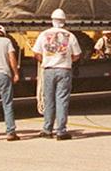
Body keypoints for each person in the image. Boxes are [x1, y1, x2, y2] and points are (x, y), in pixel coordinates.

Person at [32, 8, 81, 140]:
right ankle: (61, 131)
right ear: (64, 21)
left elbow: (36, 53)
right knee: (62, 100)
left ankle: (47, 129)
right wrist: (66, 59)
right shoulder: (70, 36)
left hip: (48, 70)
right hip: (64, 69)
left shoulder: (43, 34)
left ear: (52, 20)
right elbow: (77, 55)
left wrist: (46, 59)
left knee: (48, 100)